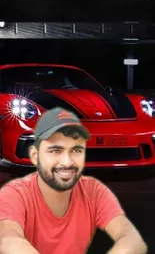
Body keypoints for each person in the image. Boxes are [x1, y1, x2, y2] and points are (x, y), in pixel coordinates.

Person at [0, 107, 147, 254]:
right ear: (34, 155)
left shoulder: (93, 191)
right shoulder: (14, 194)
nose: (67, 162)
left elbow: (132, 239)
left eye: (76, 150)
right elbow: (8, 240)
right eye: (55, 151)